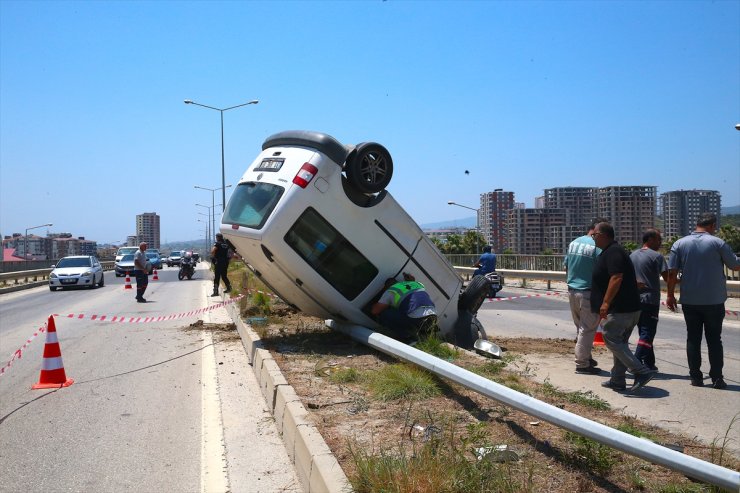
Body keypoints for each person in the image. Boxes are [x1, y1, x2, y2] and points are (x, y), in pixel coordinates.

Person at [666, 213, 740, 389]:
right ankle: (717, 378)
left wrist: (670, 295)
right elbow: (735, 266)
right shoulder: (717, 243)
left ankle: (696, 377)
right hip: (714, 300)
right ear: (712, 225)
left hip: (690, 300)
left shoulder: (680, 243)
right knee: (714, 339)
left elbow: (672, 273)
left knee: (693, 338)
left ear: (697, 224)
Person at [590, 222, 656, 392]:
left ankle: (641, 371)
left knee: (610, 338)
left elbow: (616, 277)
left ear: (603, 234)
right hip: (627, 307)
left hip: (621, 308)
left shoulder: (613, 252)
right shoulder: (612, 251)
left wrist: (605, 303)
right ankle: (618, 379)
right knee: (620, 343)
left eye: (594, 235)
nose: (593, 238)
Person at [563, 218, 607, 374]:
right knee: (587, 329)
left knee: (580, 328)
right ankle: (582, 364)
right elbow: (604, 272)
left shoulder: (574, 243)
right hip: (588, 292)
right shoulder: (598, 246)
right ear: (597, 230)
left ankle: (586, 357)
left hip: (572, 290)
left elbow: (566, 267)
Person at [630, 229, 668, 371]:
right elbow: (668, 278)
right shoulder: (657, 257)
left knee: (643, 332)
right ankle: (635, 362)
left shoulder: (632, 255)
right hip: (650, 300)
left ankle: (649, 363)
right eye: (659, 240)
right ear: (650, 239)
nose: (660, 243)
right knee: (647, 333)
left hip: (635, 299)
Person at [370, 273, 437, 344]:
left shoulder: (391, 290)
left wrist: (374, 305)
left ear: (386, 287)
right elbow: (412, 290)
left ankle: (408, 337)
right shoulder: (417, 284)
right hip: (433, 313)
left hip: (416, 317)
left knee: (385, 315)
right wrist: (411, 280)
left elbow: (375, 311)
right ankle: (422, 334)